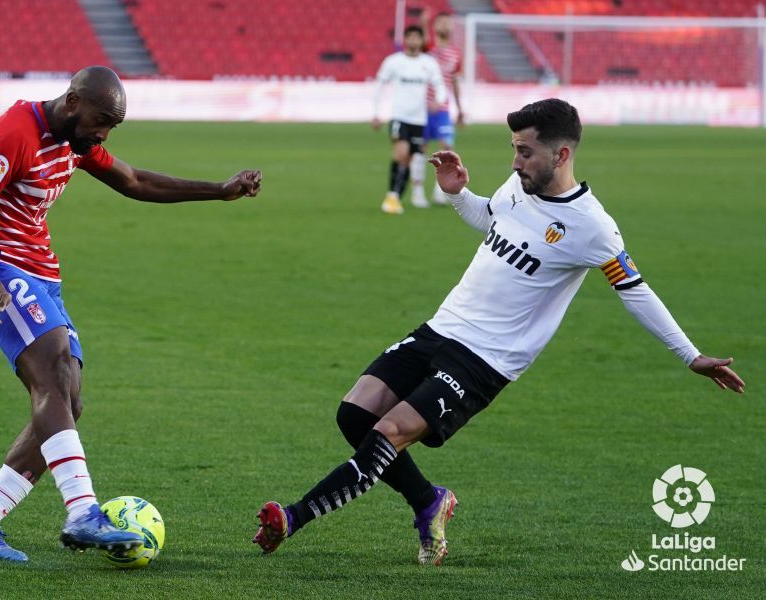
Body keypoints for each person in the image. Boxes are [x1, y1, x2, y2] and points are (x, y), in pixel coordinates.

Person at [253, 98, 743, 566]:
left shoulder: (593, 227)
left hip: (484, 359)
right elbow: (492, 220)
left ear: (562, 154)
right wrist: (457, 194)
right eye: (513, 148)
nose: (515, 162)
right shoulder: (518, 188)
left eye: (525, 151)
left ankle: (293, 518)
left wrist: (690, 355)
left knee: (388, 433)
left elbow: (634, 290)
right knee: (354, 414)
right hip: (441, 327)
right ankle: (429, 502)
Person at [0, 66, 261, 562]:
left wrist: (219, 190)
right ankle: (83, 512)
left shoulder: (74, 140)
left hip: (41, 275)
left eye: (111, 126)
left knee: (69, 400)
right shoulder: (15, 133)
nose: (102, 134)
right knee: (52, 371)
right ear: (73, 101)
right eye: (101, 121)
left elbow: (134, 181)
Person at [372, 25, 446, 215]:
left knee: (411, 158)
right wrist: (376, 113)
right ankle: (392, 196)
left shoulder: (428, 63)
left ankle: (397, 196)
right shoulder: (393, 61)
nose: (413, 40)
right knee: (401, 153)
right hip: (399, 117)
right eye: (410, 37)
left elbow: (439, 83)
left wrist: (439, 101)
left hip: (419, 120)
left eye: (417, 37)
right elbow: (379, 85)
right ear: (405, 40)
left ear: (422, 41)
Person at [410, 11, 465, 206]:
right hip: (422, 109)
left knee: (447, 148)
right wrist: (424, 22)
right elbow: (419, 42)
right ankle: (417, 191)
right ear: (435, 27)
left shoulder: (455, 54)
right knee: (420, 148)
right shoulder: (428, 48)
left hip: (442, 109)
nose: (445, 25)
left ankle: (439, 191)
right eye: (441, 22)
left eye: (448, 22)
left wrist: (459, 108)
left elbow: (455, 82)